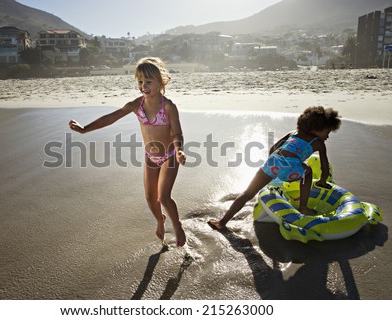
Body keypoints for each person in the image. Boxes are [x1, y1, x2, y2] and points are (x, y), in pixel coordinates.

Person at [69, 57, 187, 247]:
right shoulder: (135, 105)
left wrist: (179, 151)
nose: (143, 86)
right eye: (140, 82)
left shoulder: (168, 107)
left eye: (148, 82)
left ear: (161, 82)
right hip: (150, 157)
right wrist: (84, 129)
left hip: (170, 156)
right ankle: (160, 220)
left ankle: (177, 225)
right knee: (150, 198)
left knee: (163, 196)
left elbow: (178, 133)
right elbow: (110, 118)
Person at [208, 106, 341, 231]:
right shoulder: (318, 143)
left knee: (247, 193)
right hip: (291, 168)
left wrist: (274, 169)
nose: (327, 136)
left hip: (273, 161)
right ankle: (303, 207)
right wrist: (322, 181)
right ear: (315, 129)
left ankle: (222, 222)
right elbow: (325, 167)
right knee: (308, 171)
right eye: (327, 132)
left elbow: (273, 149)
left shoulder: (292, 133)